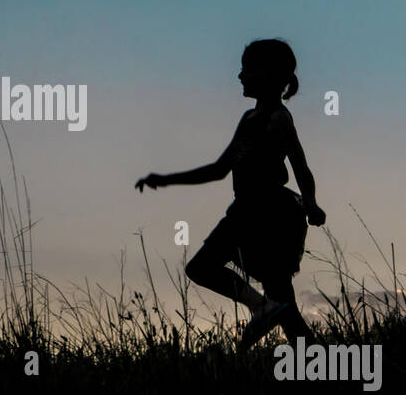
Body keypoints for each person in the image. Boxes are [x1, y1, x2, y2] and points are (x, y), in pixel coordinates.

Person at [135, 38, 326, 348]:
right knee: (281, 302)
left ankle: (268, 315)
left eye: (248, 69)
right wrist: (166, 179)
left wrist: (313, 203)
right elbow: (218, 169)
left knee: (206, 269)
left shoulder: (278, 118)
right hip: (247, 211)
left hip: (269, 214)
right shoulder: (249, 120)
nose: (240, 76)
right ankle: (305, 352)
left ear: (270, 74)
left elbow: (301, 166)